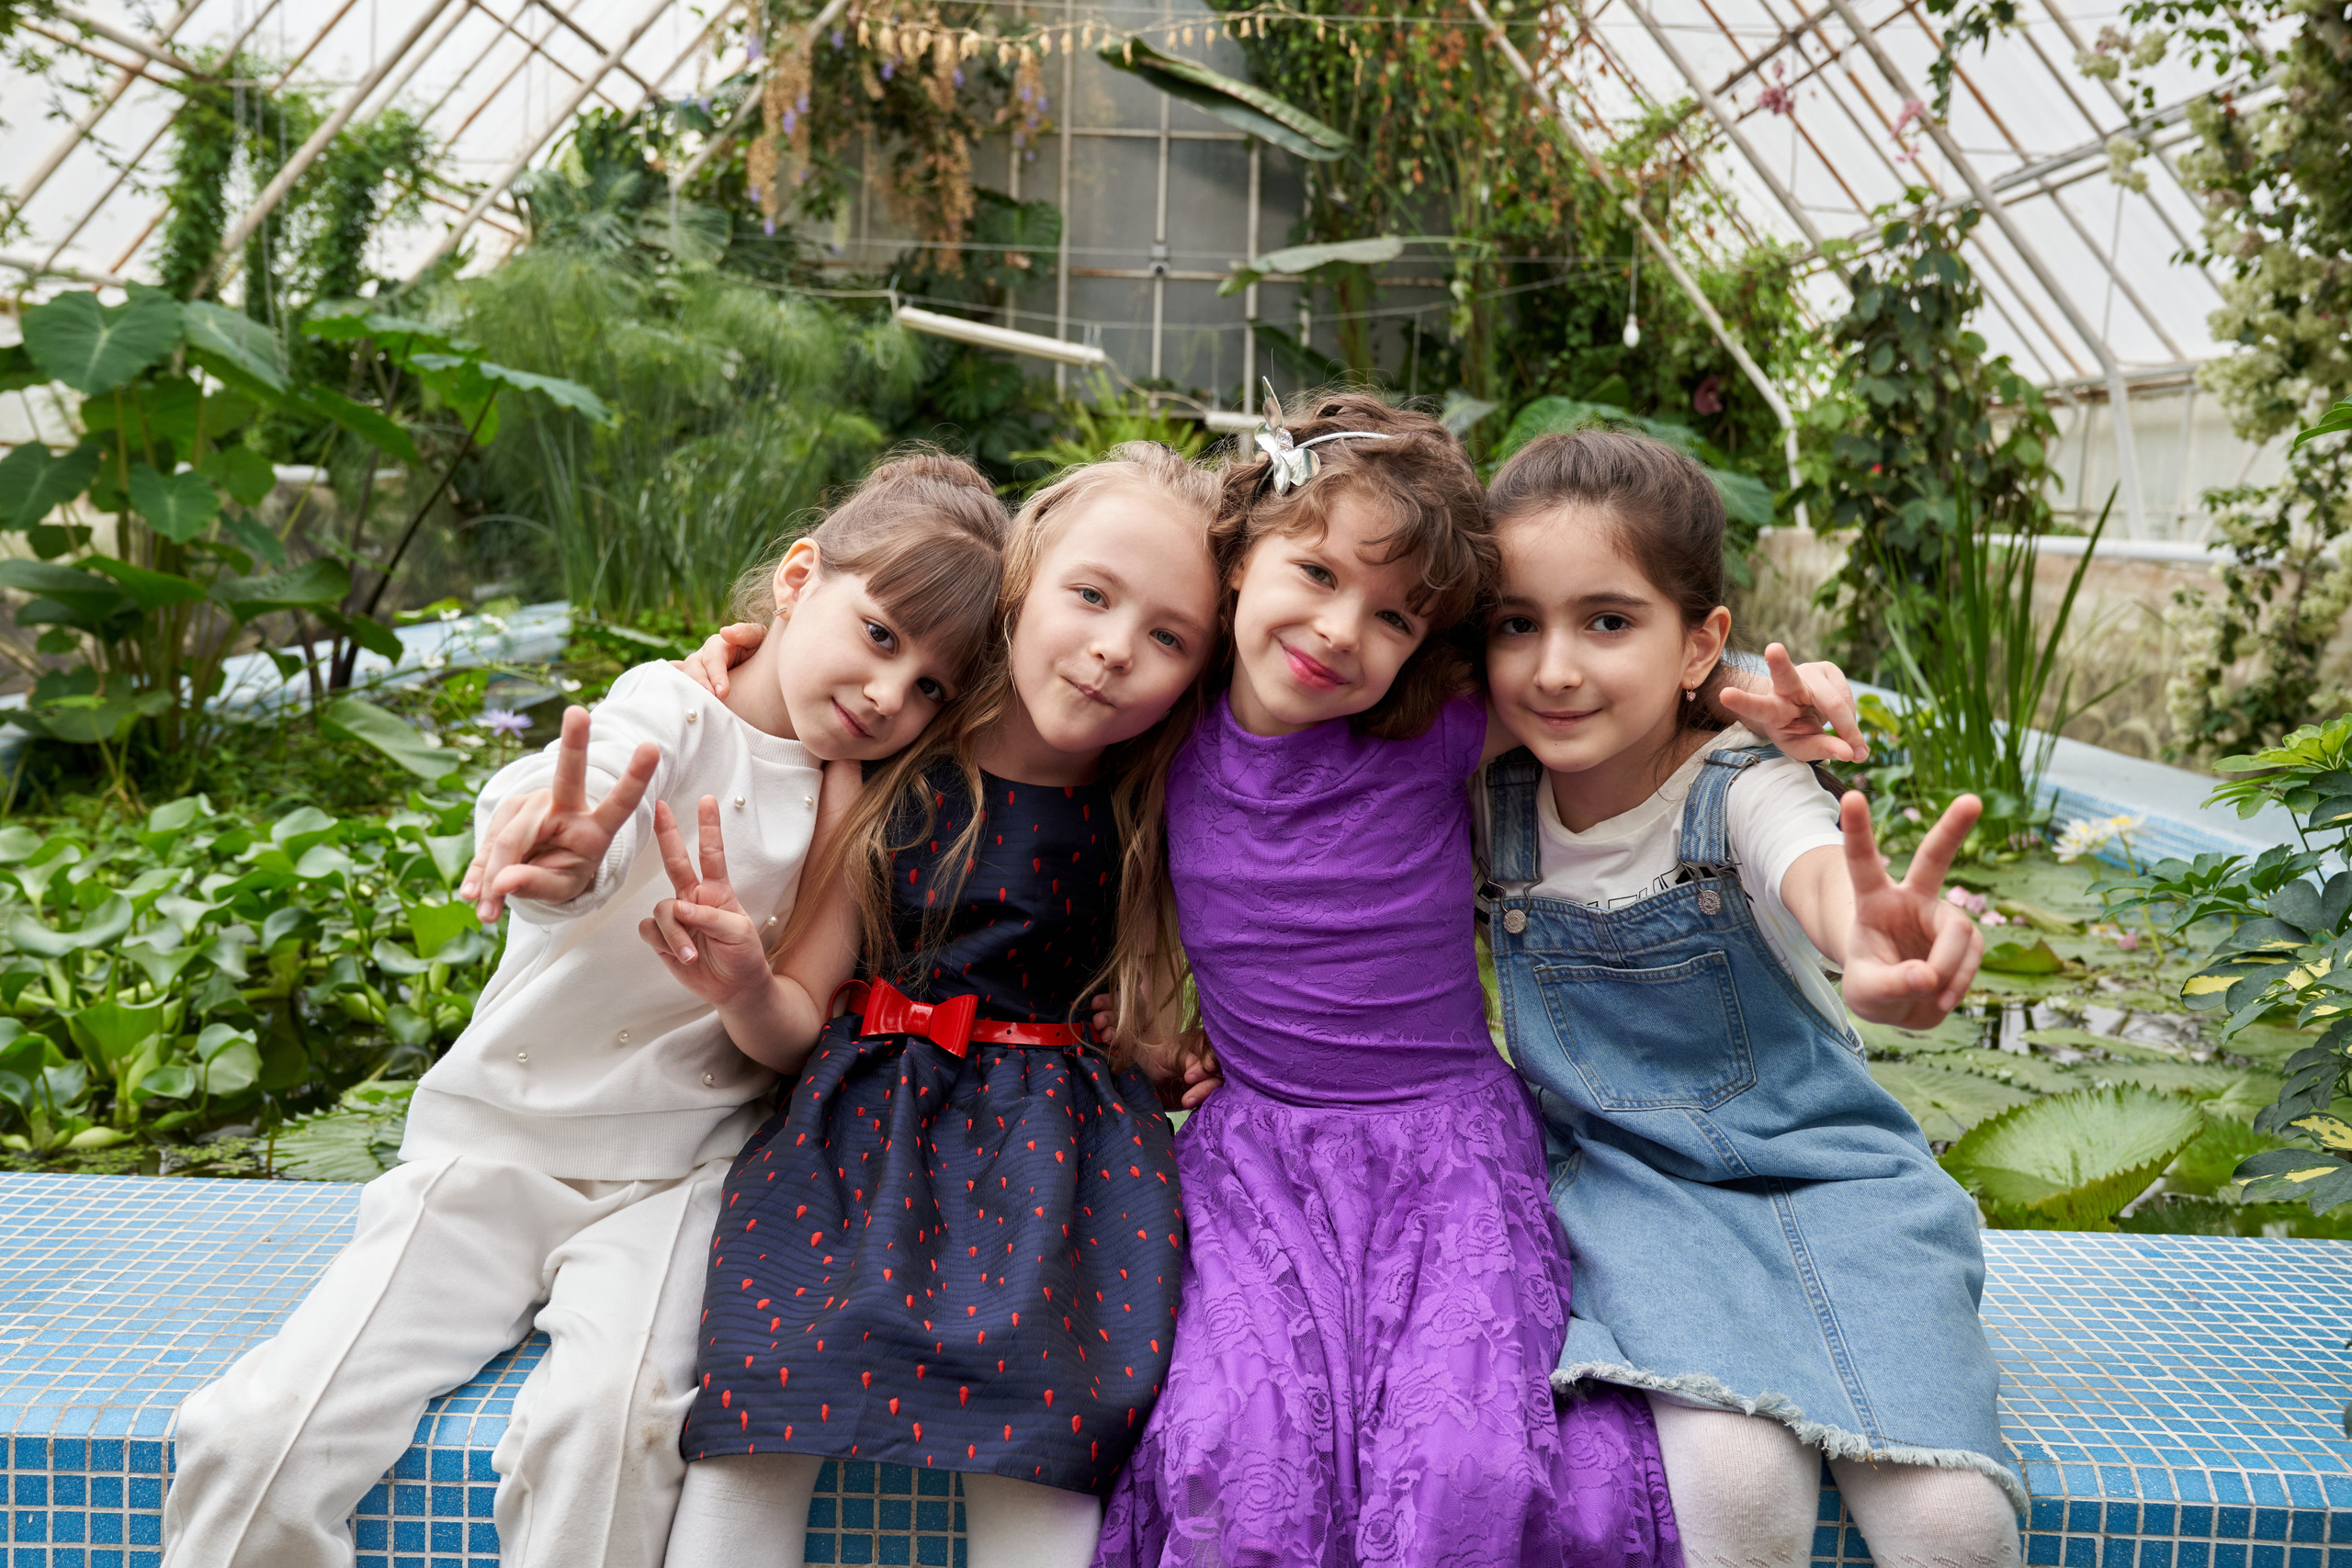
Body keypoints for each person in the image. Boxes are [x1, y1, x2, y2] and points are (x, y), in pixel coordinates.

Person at [160, 454, 1009, 1568]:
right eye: (882, 635)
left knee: (609, 1434)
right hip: (494, 1152)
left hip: (677, 1178)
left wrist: (745, 987)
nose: (890, 694)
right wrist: (553, 845)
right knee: (262, 1432)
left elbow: (795, 1026)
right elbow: (590, 791)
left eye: (932, 688)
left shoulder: (857, 808)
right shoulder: (670, 706)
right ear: (800, 578)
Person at [1094, 391, 1686, 1568]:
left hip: (1447, 1157)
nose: (1338, 631)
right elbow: (1011, 667)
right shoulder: (1160, 731)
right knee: (1231, 1447)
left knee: (1466, 1464)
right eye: (1315, 573)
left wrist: (1761, 704)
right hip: (1256, 1160)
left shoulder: (1438, 730)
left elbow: (1619, 683)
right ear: (1241, 553)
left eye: (1394, 617)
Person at [645, 443, 1226, 1568]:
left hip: (1059, 1175)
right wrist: (746, 986)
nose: (1115, 648)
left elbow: (1147, 1020)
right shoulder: (890, 764)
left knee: (1046, 1458)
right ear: (1020, 583)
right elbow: (795, 1014)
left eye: (1168, 638)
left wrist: (1165, 1058)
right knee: (754, 1424)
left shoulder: (1145, 804)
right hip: (850, 1144)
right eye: (1091, 596)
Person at [1477, 428, 2019, 1568]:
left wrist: (1870, 947)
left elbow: (1815, 873)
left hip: (1839, 1181)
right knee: (1731, 1482)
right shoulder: (1489, 798)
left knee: (1952, 1523)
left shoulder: (1748, 786)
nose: (1554, 668)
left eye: (1607, 620)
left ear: (1699, 642)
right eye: (1515, 623)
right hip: (1631, 1195)